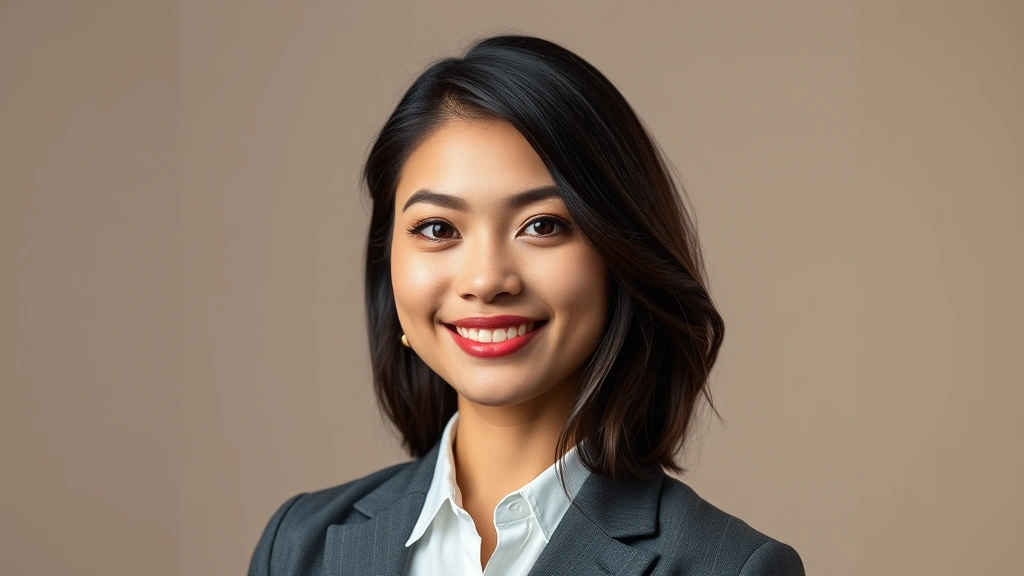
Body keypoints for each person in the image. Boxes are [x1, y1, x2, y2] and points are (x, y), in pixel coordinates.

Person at [248, 35, 805, 576]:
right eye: (438, 228)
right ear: (388, 264)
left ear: (621, 253)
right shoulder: (300, 548)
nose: (487, 280)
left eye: (542, 225)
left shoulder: (731, 568)